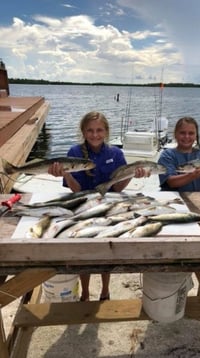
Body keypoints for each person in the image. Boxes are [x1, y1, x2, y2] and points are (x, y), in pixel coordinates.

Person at [48, 111, 146, 301]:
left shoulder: (116, 153)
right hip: (83, 207)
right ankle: (85, 291)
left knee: (106, 250)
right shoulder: (74, 153)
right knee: (84, 251)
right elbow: (75, 191)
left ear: (106, 132)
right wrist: (66, 174)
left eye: (99, 130)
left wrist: (133, 173)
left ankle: (105, 290)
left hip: (109, 207)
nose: (95, 134)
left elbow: (117, 188)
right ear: (83, 132)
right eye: (90, 130)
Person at [158, 116, 200, 192]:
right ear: (175, 134)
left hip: (199, 198)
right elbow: (171, 182)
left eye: (191, 133)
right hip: (174, 200)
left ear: (196, 136)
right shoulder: (167, 155)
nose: (186, 136)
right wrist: (193, 175)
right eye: (182, 133)